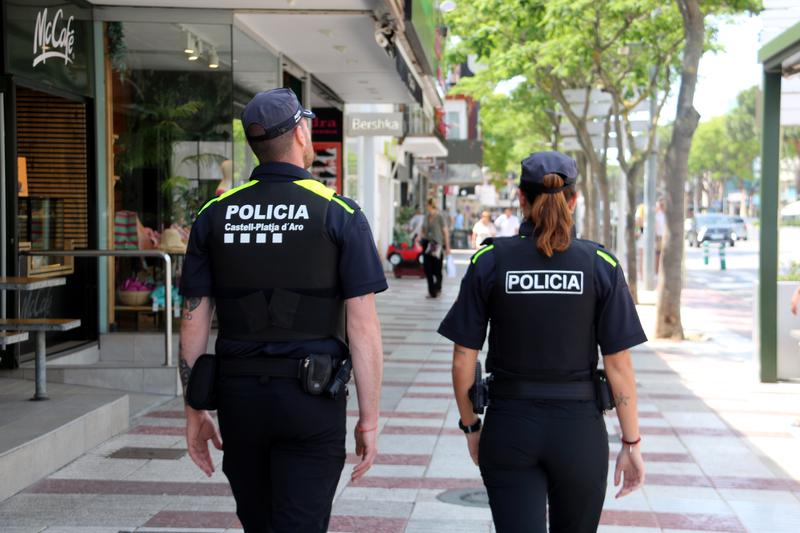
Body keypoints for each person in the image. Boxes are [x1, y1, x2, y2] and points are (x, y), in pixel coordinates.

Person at [179, 88, 386, 533]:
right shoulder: (339, 213)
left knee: (259, 523)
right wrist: (369, 420)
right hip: (310, 401)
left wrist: (195, 408)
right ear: (300, 132)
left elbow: (194, 317)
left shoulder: (215, 214)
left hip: (239, 402)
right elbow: (363, 327)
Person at [438, 151, 647, 533]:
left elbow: (462, 358)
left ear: (521, 197)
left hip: (510, 427)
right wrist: (631, 443)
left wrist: (471, 428)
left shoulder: (489, 260)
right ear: (574, 199)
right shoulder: (601, 264)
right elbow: (619, 366)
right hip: (579, 434)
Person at [420, 198, 451, 298]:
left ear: (430, 205)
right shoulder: (426, 217)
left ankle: (438, 288)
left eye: (427, 205)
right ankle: (431, 291)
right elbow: (423, 230)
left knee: (437, 269)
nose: (426, 207)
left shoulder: (439, 217)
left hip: (437, 246)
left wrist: (447, 247)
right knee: (427, 269)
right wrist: (420, 236)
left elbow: (445, 232)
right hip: (427, 245)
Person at [655, 198, 666, 274]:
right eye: (660, 204)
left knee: (664, 255)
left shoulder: (665, 215)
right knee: (658, 254)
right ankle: (657, 270)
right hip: (658, 236)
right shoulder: (657, 215)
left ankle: (662, 271)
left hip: (665, 237)